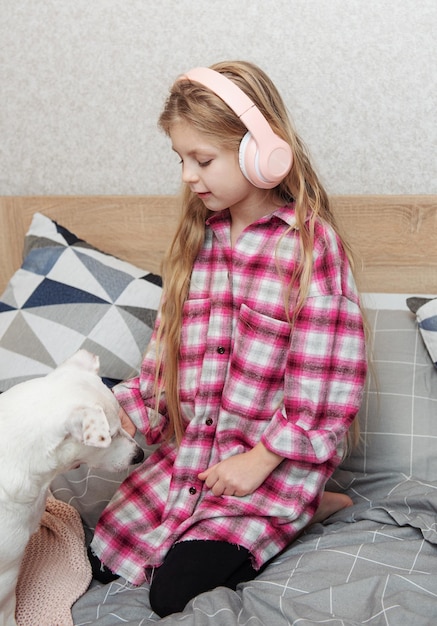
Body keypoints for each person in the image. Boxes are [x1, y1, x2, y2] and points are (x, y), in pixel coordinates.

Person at [90, 60, 367, 617]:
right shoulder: (198, 242)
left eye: (203, 159)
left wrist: (261, 459)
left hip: (267, 465)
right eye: (181, 160)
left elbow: (326, 389)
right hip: (191, 459)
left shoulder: (310, 249)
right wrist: (107, 417)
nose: (189, 175)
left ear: (261, 153)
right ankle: (295, 511)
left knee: (174, 594)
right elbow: (161, 370)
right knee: (101, 555)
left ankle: (301, 508)